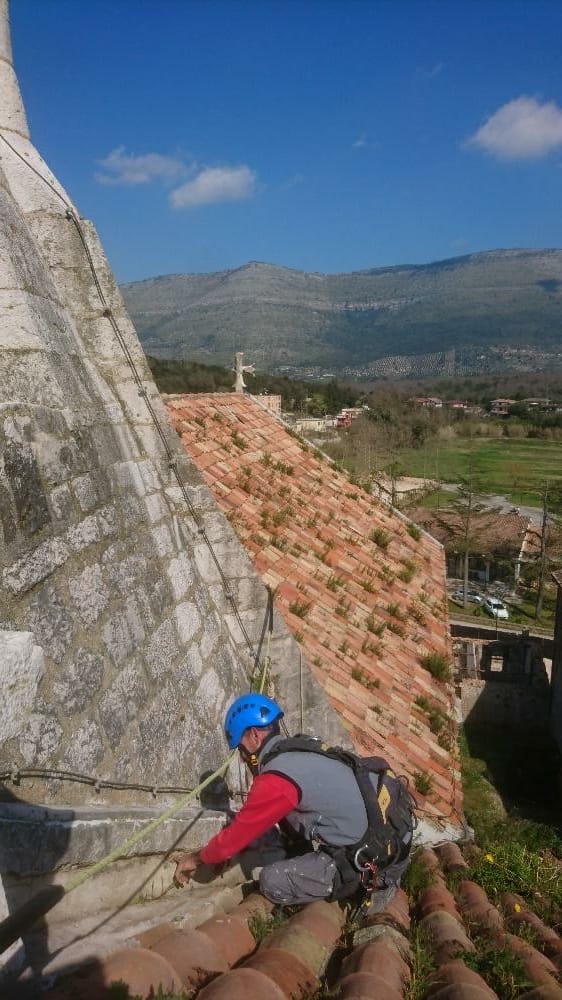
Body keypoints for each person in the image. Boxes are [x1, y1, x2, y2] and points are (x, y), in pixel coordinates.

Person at [174, 693, 415, 909]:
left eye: (241, 748)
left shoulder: (275, 778)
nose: (243, 758)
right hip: (392, 838)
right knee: (288, 836)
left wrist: (196, 859)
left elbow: (236, 836)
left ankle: (364, 892)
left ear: (254, 735)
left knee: (272, 881)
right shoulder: (299, 750)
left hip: (375, 861)